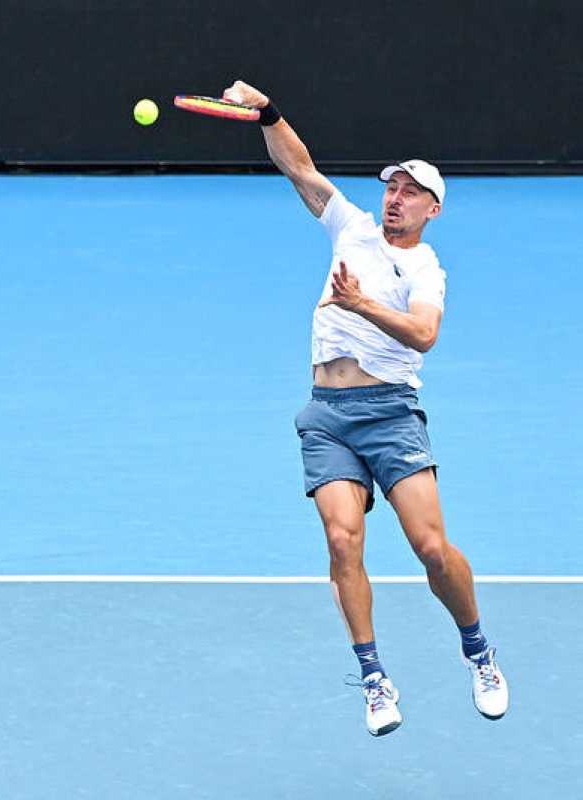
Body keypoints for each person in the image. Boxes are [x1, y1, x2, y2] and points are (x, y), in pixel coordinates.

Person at [221, 80, 509, 735]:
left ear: (433, 209)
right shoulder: (350, 227)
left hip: (390, 414)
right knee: (342, 540)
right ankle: (375, 677)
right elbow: (298, 165)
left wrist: (362, 307)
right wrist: (267, 111)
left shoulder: (426, 270)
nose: (395, 198)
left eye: (410, 192)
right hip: (326, 414)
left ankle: (479, 652)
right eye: (391, 187)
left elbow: (425, 335)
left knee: (431, 549)